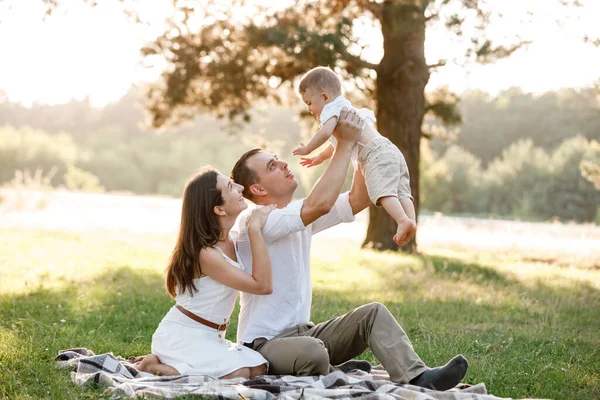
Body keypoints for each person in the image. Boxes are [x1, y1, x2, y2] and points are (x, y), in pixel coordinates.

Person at [231, 108, 468, 391]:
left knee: (373, 314)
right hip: (263, 346)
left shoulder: (298, 217)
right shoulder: (255, 220)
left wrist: (360, 147)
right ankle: (334, 368)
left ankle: (417, 376)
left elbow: (360, 196)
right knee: (313, 352)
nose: (283, 164)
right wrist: (342, 144)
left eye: (278, 159)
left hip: (307, 333)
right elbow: (319, 204)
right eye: (272, 166)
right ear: (257, 189)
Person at [136, 167, 276, 379]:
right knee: (238, 374)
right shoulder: (206, 254)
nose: (240, 187)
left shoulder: (232, 241)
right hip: (182, 337)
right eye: (231, 186)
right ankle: (152, 366)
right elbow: (262, 286)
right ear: (219, 209)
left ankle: (172, 366)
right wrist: (255, 229)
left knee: (258, 368)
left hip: (211, 336)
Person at [292, 66, 416, 247]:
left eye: (309, 103)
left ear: (325, 97)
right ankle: (410, 221)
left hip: (374, 154)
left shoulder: (330, 111)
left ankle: (402, 220)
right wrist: (320, 157)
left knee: (381, 191)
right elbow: (336, 143)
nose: (309, 109)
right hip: (390, 149)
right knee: (402, 191)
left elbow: (325, 134)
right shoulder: (345, 107)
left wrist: (308, 149)